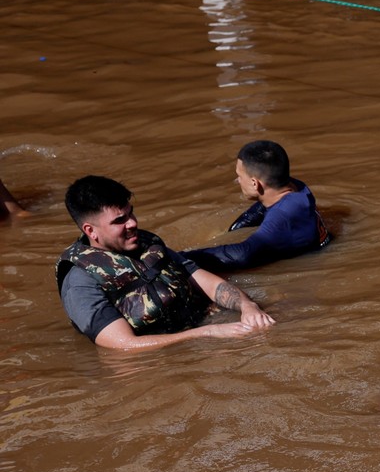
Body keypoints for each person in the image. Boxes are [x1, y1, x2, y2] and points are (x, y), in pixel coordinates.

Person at [57, 175, 275, 351]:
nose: (133, 223)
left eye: (130, 213)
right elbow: (123, 346)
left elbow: (206, 282)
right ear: (90, 230)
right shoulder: (80, 282)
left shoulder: (145, 243)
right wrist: (208, 333)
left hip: (202, 326)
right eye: (119, 221)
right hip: (164, 356)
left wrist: (248, 307)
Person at [185, 140, 331, 272]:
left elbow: (243, 254)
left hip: (310, 267)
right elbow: (261, 207)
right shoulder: (296, 187)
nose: (237, 180)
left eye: (240, 176)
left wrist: (182, 258)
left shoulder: (281, 217)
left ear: (255, 183)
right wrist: (234, 230)